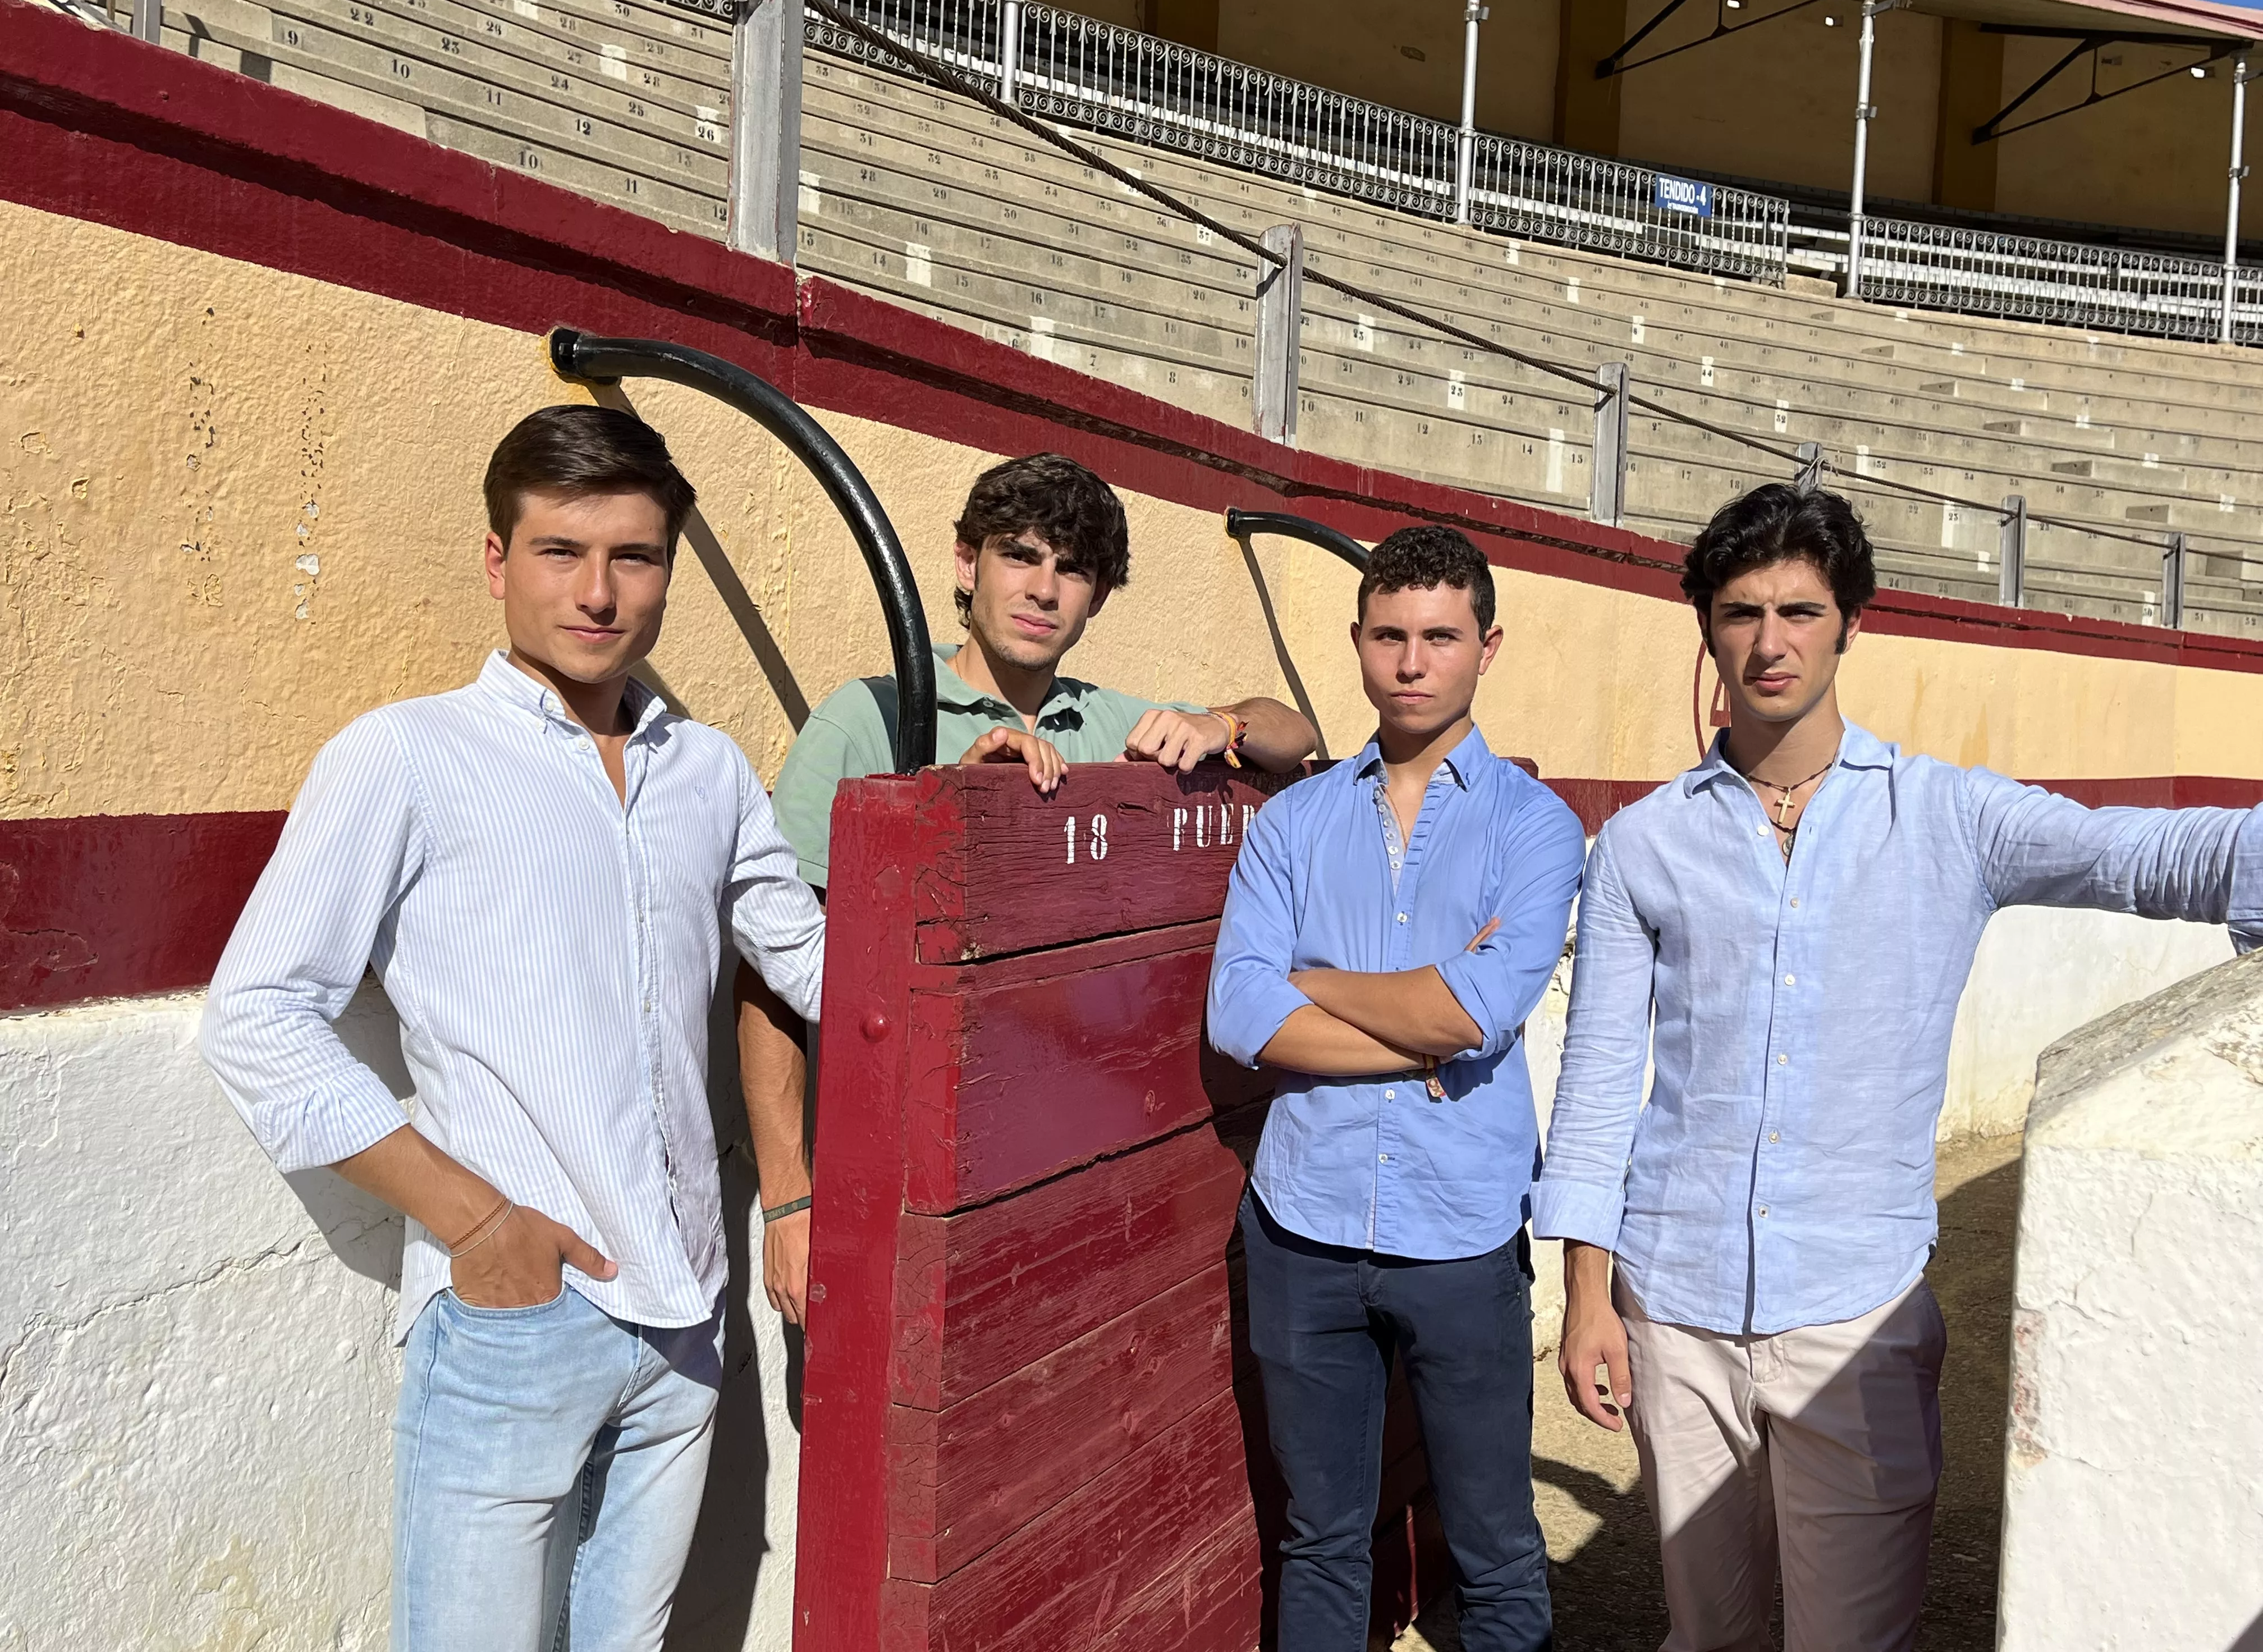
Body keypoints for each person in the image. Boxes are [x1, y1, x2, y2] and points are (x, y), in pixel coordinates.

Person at [1534, 482, 2263, 1652]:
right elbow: (1600, 1075)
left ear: (1853, 624)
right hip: (1674, 1298)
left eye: (1801, 611)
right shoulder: (1642, 843)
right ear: (1706, 627)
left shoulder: (1944, 816)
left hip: (1857, 1306)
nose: (1770, 643)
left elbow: (2145, 854)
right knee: (1703, 1634)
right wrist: (1586, 1297)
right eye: (1740, 613)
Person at [200, 405, 827, 1652]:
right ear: (499, 560)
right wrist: (476, 1224)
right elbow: (256, 1015)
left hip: (688, 1321)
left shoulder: (707, 771)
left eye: (634, 558)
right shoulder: (407, 755)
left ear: (668, 568)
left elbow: (821, 969)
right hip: (518, 1323)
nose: (598, 594)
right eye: (560, 552)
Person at [737, 451, 1319, 1326]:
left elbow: (1295, 731)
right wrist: (788, 1199)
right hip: (906, 1173)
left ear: (1096, 600)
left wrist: (1220, 722)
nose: (1044, 590)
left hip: (1074, 1168)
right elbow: (770, 976)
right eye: (1021, 555)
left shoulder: (1116, 721)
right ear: (967, 566)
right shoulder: (871, 716)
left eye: (1072, 569)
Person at [1206, 524, 1586, 1652]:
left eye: (1439, 637)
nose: (1413, 662)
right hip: (1302, 1226)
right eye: (1390, 637)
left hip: (1462, 1234)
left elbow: (1478, 1011)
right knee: (1320, 1541)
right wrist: (1424, 1037)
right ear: (1359, 644)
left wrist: (1314, 986)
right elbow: (1239, 1018)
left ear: (1487, 646)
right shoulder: (1293, 821)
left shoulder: (1535, 824)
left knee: (1495, 1547)